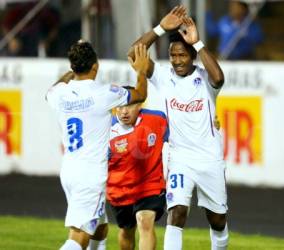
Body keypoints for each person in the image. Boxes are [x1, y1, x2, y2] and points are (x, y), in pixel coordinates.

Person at [128, 5, 228, 250]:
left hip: (209, 159)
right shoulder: (163, 77)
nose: (177, 60)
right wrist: (161, 28)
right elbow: (133, 55)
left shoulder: (205, 79)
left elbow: (219, 79)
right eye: (173, 55)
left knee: (217, 220)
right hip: (179, 158)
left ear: (192, 56)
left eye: (183, 55)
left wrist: (198, 43)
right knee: (176, 213)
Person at [46, 40, 150, 250]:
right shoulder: (105, 93)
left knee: (100, 227)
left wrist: (72, 71)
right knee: (79, 236)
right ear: (96, 66)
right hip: (90, 174)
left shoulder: (59, 93)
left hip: (69, 171)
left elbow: (51, 89)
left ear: (73, 67)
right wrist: (141, 71)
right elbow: (140, 94)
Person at [106, 87, 168, 250]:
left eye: (130, 105)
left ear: (140, 105)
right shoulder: (105, 129)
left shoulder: (157, 119)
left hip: (149, 185)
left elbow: (181, 136)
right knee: (127, 230)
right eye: (120, 106)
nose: (124, 111)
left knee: (145, 221)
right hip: (120, 189)